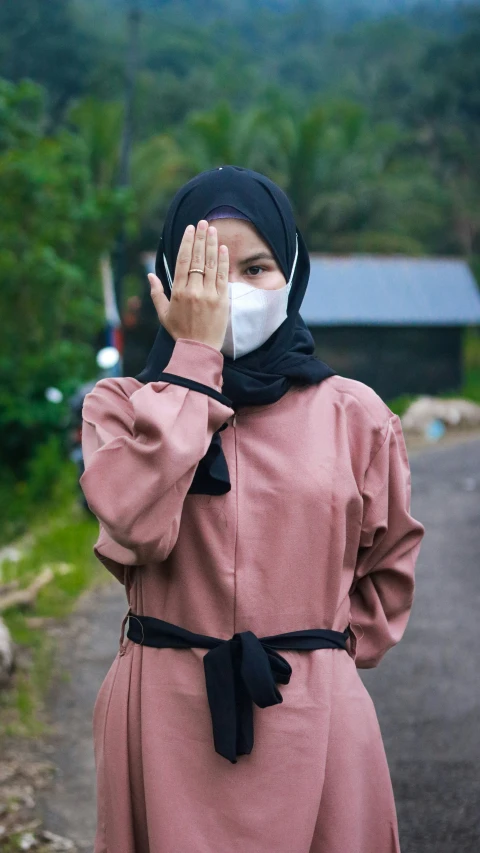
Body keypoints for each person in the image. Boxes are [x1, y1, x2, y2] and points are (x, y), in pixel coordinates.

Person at [79, 165, 425, 853]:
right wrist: (194, 362)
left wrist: (316, 652)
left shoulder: (355, 415)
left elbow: (388, 567)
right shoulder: (120, 409)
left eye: (257, 266)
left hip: (313, 712)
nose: (230, 290)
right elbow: (139, 527)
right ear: (169, 283)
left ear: (292, 273)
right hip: (164, 721)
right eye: (204, 270)